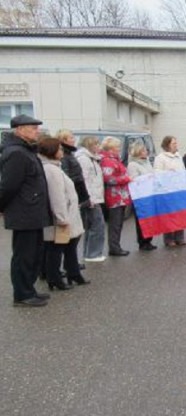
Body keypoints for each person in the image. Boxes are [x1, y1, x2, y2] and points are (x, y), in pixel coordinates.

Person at [0, 115, 53, 307]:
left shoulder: (25, 150)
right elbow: (9, 186)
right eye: (32, 128)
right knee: (24, 255)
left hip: (32, 211)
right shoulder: (16, 153)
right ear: (19, 130)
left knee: (34, 253)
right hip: (24, 212)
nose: (37, 131)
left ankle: (29, 289)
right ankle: (22, 294)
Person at [38, 138, 88, 290]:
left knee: (70, 245)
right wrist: (62, 218)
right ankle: (54, 278)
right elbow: (56, 196)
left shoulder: (55, 167)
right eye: (59, 149)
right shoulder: (51, 170)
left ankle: (73, 273)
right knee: (56, 249)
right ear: (52, 151)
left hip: (67, 212)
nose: (62, 152)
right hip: (61, 216)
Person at [76, 136, 107, 262]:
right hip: (92, 198)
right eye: (96, 145)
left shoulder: (92, 159)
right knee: (97, 225)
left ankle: (89, 253)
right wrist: (89, 198)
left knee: (92, 225)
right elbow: (85, 180)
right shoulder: (84, 159)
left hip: (94, 197)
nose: (99, 147)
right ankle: (93, 253)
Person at [100, 136, 132, 256]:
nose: (119, 149)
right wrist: (127, 178)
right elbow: (109, 179)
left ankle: (116, 246)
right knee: (115, 223)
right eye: (117, 147)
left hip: (120, 196)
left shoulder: (115, 159)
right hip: (115, 197)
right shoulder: (108, 160)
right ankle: (114, 247)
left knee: (118, 223)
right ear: (111, 148)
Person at [154, 135, 186, 247]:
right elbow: (157, 173)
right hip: (167, 190)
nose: (176, 145)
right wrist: (168, 173)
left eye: (176, 143)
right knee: (168, 215)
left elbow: (183, 171)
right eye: (173, 143)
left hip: (178, 189)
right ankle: (169, 239)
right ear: (167, 145)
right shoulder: (160, 158)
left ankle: (180, 237)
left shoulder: (179, 157)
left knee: (179, 214)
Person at [127, 142, 157, 251]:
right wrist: (147, 178)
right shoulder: (133, 165)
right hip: (140, 195)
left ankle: (149, 240)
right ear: (138, 152)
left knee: (150, 218)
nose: (146, 152)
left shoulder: (147, 162)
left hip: (149, 194)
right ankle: (142, 242)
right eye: (144, 151)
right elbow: (134, 179)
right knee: (142, 219)